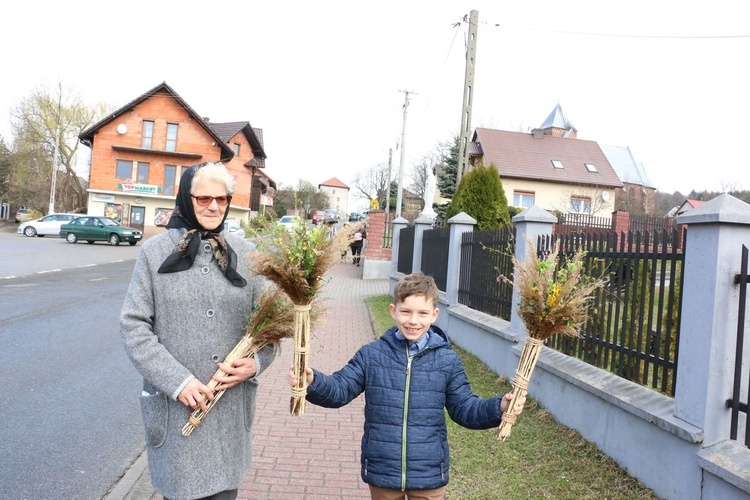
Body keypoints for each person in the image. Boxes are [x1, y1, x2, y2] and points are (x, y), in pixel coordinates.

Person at [289, 272, 526, 499]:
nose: (413, 321)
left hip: (429, 475)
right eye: (406, 312)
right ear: (393, 311)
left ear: (434, 315)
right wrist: (312, 381)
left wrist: (500, 407)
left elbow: (464, 408)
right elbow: (340, 389)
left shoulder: (447, 361)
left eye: (422, 313)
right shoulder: (372, 355)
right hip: (383, 472)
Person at [120, 162, 277, 500]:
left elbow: (269, 325)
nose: (213, 206)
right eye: (204, 198)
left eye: (222, 199)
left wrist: (257, 363)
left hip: (229, 415)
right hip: (178, 415)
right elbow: (133, 326)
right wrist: (178, 382)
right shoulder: (155, 253)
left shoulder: (247, 256)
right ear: (186, 198)